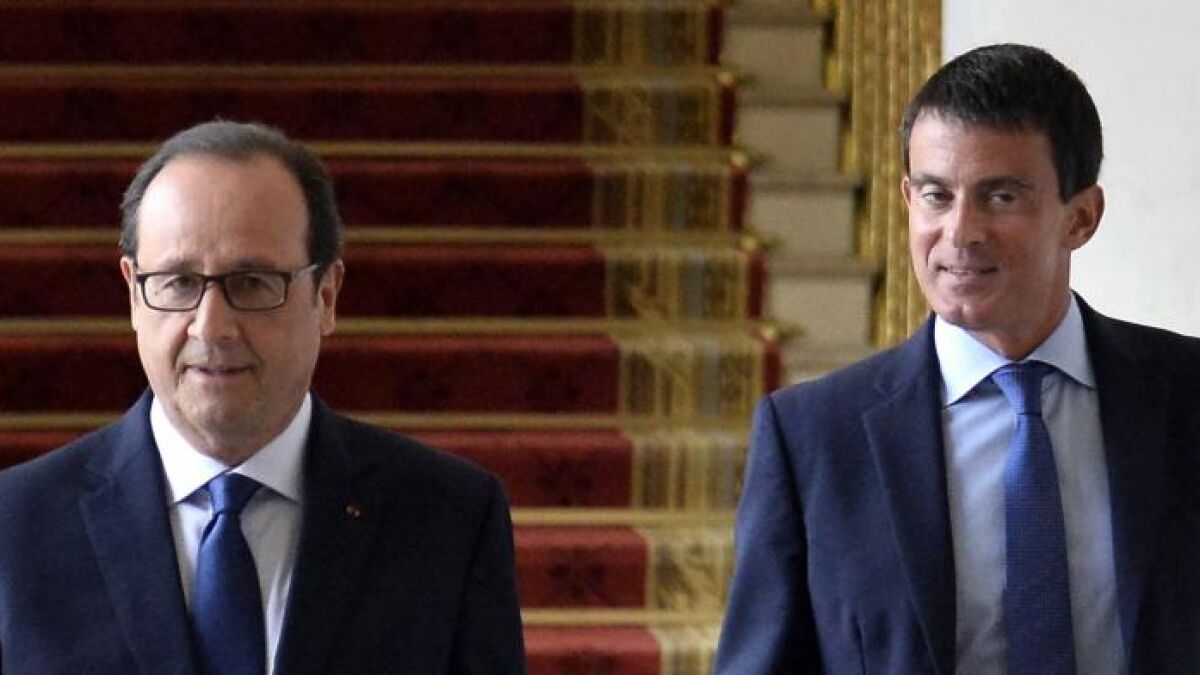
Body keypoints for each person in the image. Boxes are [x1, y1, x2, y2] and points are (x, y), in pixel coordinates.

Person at [715, 43, 1200, 674]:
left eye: (1001, 197)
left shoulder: (1186, 396)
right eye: (936, 195)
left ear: (1081, 218)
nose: (961, 232)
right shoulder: (812, 439)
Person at [0, 121, 527, 674]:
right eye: (178, 283)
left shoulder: (449, 520)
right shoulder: (15, 527)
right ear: (134, 294)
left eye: (252, 282)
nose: (211, 327)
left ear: (326, 296)